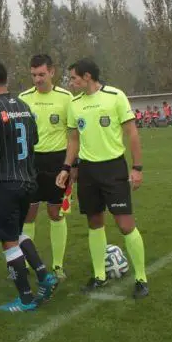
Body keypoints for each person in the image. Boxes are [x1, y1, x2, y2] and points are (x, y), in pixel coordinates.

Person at [0, 61, 58, 312]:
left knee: (8, 240)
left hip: (6, 183)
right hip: (29, 180)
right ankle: (44, 277)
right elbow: (35, 140)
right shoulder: (25, 107)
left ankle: (25, 298)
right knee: (18, 233)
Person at [55, 58, 149, 299]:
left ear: (87, 77)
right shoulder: (75, 104)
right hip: (88, 171)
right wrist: (68, 167)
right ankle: (100, 276)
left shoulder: (115, 96)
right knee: (94, 223)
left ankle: (141, 279)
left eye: (74, 78)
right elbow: (74, 139)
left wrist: (137, 167)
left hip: (114, 169)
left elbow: (132, 134)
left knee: (125, 225)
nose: (71, 82)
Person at [19, 55, 72, 279]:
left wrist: (69, 166)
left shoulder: (66, 97)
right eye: (34, 75)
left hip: (57, 162)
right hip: (30, 162)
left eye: (41, 74)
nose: (37, 79)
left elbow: (73, 136)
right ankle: (29, 263)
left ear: (52, 72)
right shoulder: (23, 98)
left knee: (55, 213)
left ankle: (58, 266)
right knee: (28, 214)